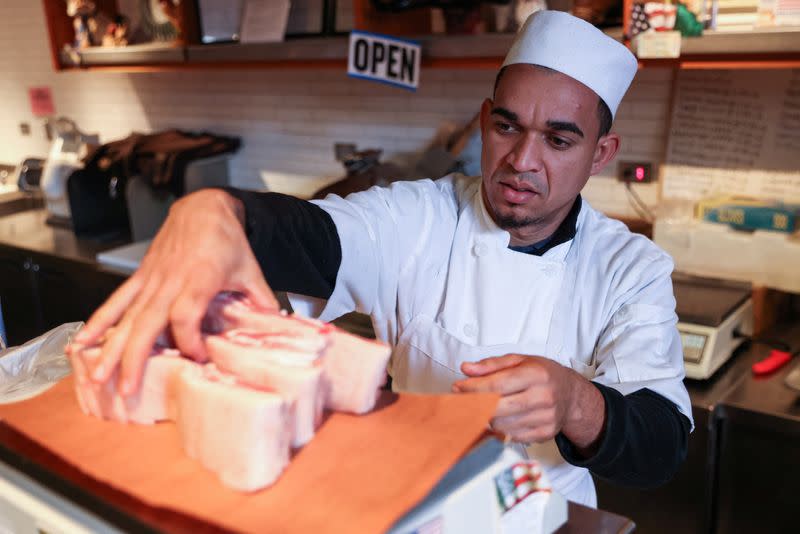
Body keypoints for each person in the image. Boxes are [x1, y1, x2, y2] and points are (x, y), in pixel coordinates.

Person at [74, 10, 692, 506]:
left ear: (601, 153)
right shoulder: (421, 215)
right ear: (484, 122)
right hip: (404, 503)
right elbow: (311, 237)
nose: (523, 160)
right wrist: (215, 210)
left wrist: (573, 400)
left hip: (546, 516)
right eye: (507, 128)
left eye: (558, 139)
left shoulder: (630, 271)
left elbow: (661, 447)